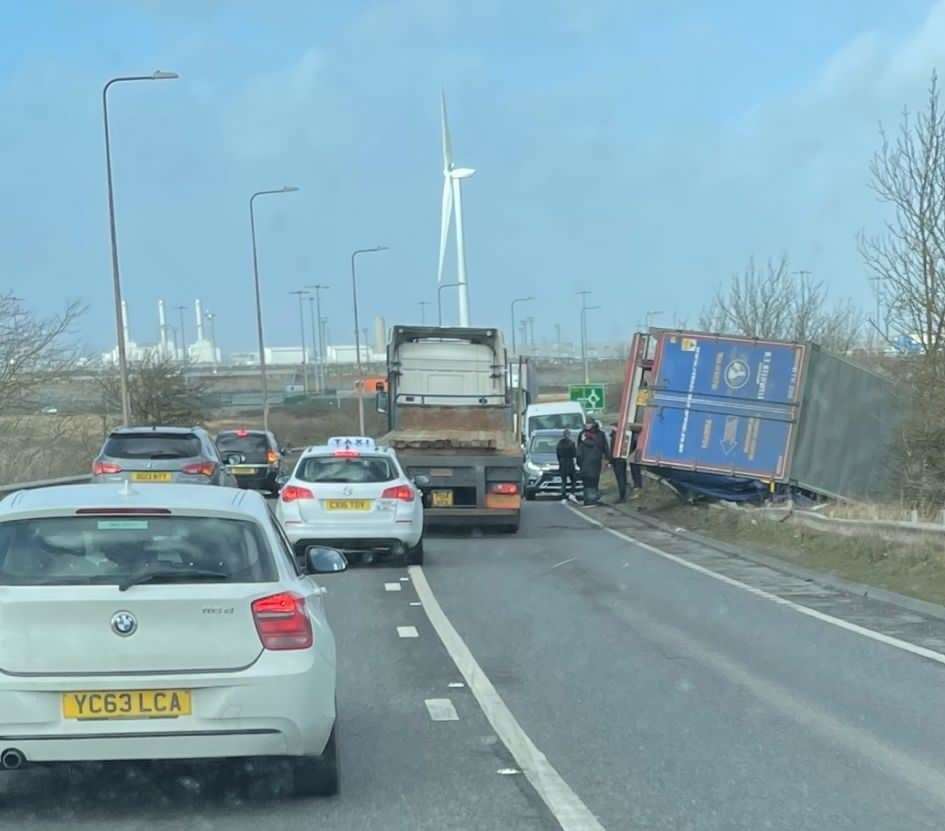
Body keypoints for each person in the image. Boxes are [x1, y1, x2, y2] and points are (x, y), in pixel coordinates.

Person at [576, 420, 610, 505]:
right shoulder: (597, 434)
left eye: (589, 423)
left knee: (590, 481)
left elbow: (579, 450)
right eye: (586, 424)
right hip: (593, 461)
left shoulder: (584, 435)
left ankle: (589, 499)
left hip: (589, 461)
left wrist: (607, 459)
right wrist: (607, 458)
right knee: (592, 480)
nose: (587, 425)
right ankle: (591, 499)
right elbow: (605, 447)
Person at [556, 429, 578, 501]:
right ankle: (572, 493)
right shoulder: (571, 443)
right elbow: (574, 454)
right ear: (569, 435)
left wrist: (560, 462)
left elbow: (558, 455)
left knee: (563, 481)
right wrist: (575, 464)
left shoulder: (559, 443)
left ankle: (563, 496)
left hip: (562, 463)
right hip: (570, 462)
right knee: (574, 479)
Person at [609, 425, 628, 502]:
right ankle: (622, 496)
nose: (611, 429)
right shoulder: (622, 435)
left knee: (620, 479)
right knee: (622, 478)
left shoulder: (615, 436)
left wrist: (610, 461)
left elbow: (612, 449)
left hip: (617, 460)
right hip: (622, 459)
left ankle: (622, 497)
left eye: (613, 427)